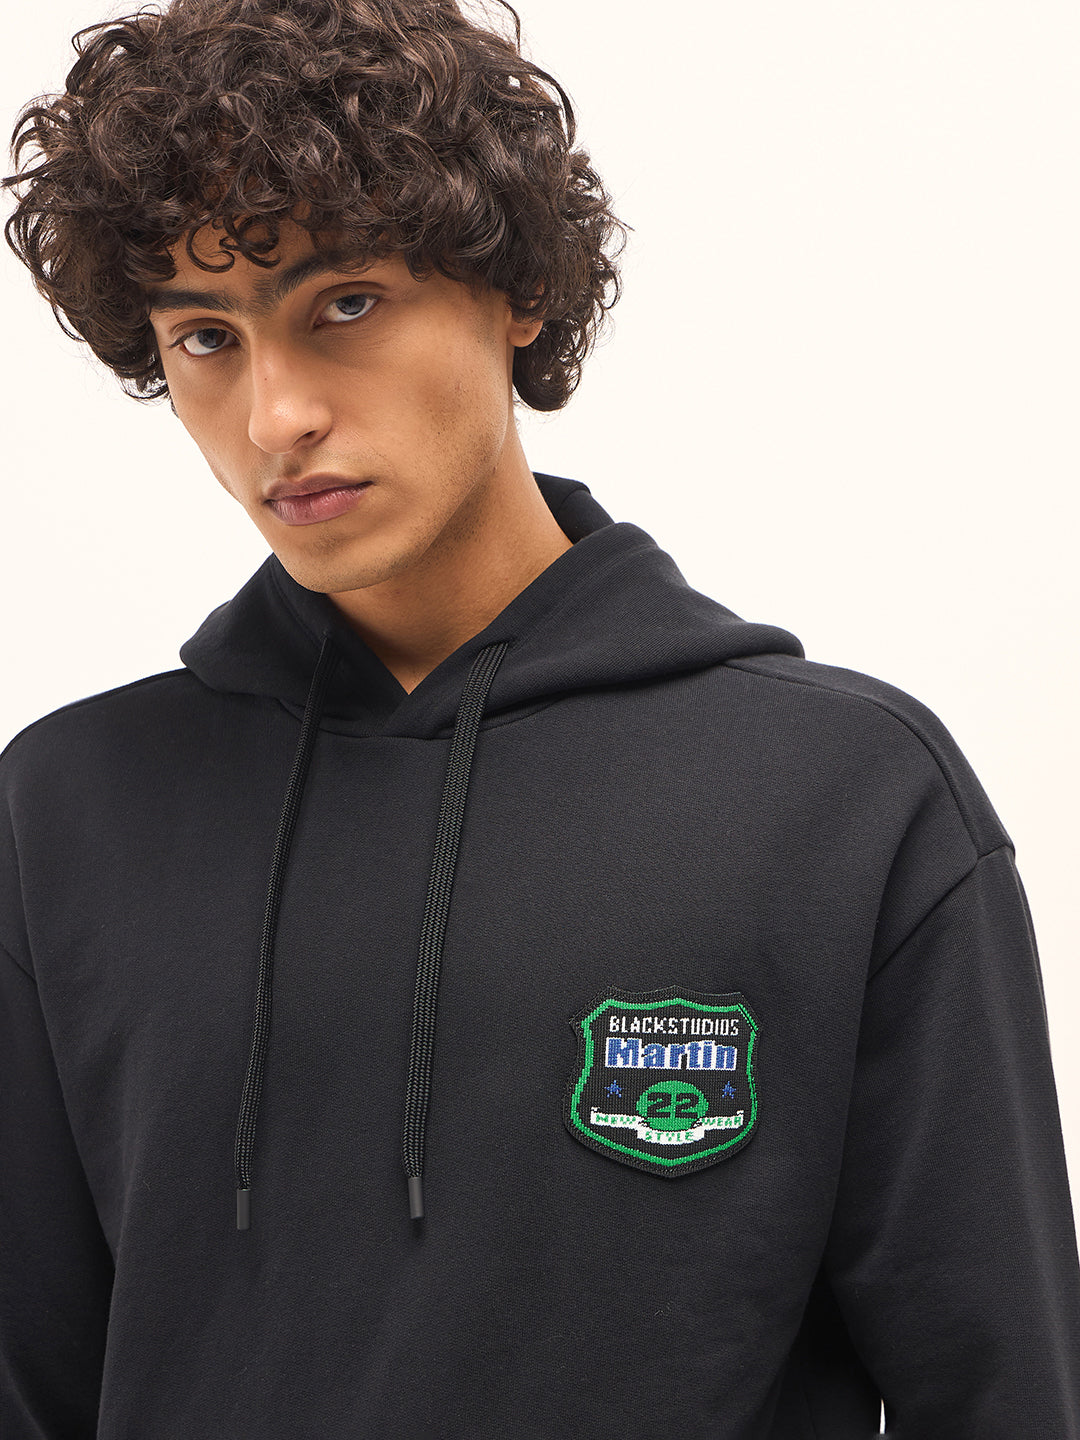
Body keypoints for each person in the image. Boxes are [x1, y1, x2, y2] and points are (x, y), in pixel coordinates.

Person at [1, 0, 1077, 1435]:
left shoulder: (847, 800)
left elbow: (1001, 1392)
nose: (275, 418)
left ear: (517, 291)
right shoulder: (67, 808)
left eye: (345, 304)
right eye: (206, 336)